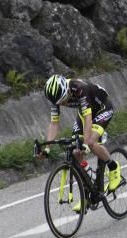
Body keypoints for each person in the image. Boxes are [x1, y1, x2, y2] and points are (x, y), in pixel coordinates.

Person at [39, 75, 121, 205]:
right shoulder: (55, 97)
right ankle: (89, 188)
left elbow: (88, 119)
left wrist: (86, 143)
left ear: (66, 90)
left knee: (91, 143)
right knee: (75, 150)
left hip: (102, 108)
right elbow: (54, 124)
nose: (62, 104)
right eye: (59, 103)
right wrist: (47, 148)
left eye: (63, 100)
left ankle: (113, 167)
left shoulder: (79, 88)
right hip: (84, 112)